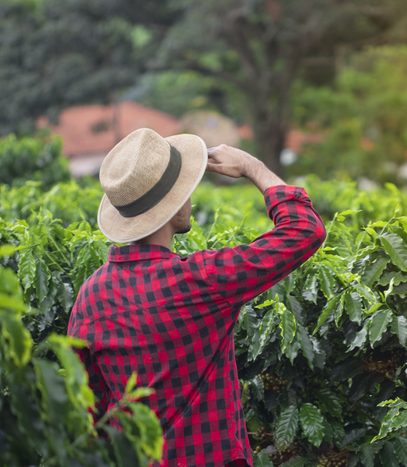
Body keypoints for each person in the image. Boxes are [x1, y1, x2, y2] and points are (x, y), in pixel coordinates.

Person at [67, 128, 326, 467]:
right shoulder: (202, 281)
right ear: (174, 209)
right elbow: (304, 229)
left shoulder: (90, 296)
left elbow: (89, 410)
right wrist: (252, 166)